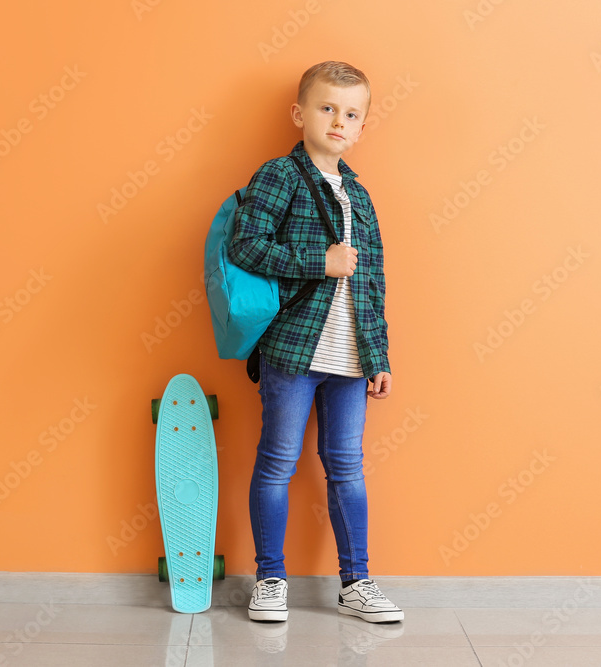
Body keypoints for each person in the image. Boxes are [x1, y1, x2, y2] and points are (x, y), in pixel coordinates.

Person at [228, 61, 402, 624]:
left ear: (362, 128)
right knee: (277, 462)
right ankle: (270, 578)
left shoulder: (361, 195)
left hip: (351, 359)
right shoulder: (280, 175)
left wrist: (379, 358)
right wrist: (319, 263)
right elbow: (245, 246)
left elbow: (371, 284)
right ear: (300, 113)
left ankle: (357, 581)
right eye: (327, 108)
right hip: (293, 353)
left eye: (351, 114)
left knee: (346, 466)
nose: (338, 120)